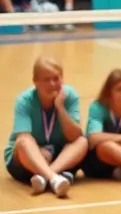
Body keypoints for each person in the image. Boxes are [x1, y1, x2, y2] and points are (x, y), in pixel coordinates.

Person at [5, 56, 87, 197]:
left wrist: (60, 108)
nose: (52, 84)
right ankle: (55, 178)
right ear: (35, 82)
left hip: (58, 159)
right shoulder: (24, 100)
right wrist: (40, 152)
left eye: (56, 78)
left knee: (82, 141)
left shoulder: (70, 95)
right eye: (46, 80)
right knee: (23, 142)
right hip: (26, 163)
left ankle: (46, 177)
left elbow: (74, 136)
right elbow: (23, 137)